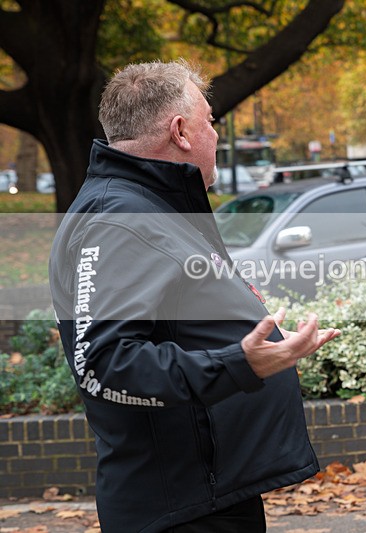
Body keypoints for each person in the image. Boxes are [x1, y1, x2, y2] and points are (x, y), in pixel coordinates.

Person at [48, 60, 340, 532]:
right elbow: (104, 364)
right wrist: (240, 363)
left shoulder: (151, 206)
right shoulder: (122, 220)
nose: (216, 135)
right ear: (181, 131)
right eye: (210, 121)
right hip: (183, 506)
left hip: (206, 493)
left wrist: (250, 334)